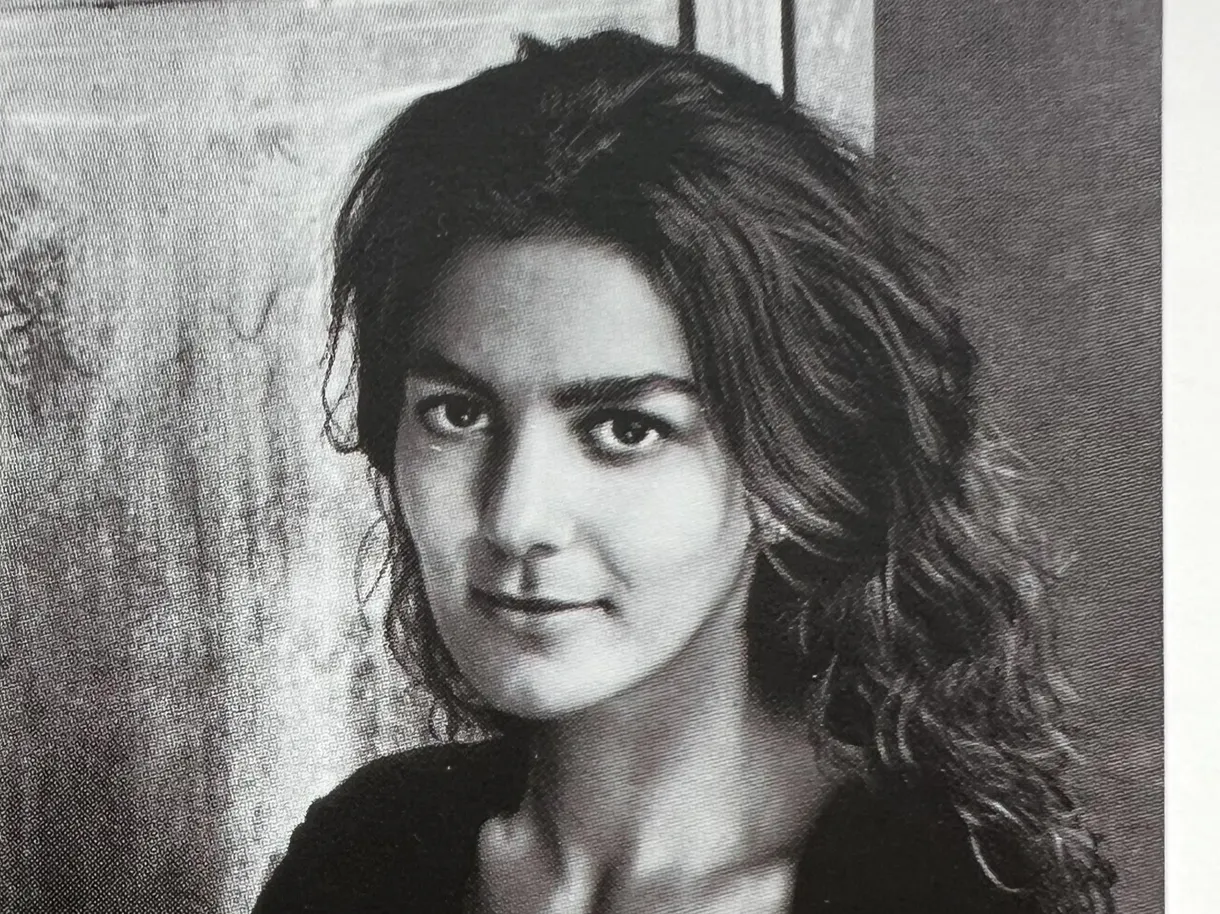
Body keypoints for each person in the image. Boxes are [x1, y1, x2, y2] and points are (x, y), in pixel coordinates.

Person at [254, 30, 1116, 914]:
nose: (516, 518)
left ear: (792, 468)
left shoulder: (941, 896)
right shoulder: (367, 853)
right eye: (458, 414)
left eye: (626, 430)